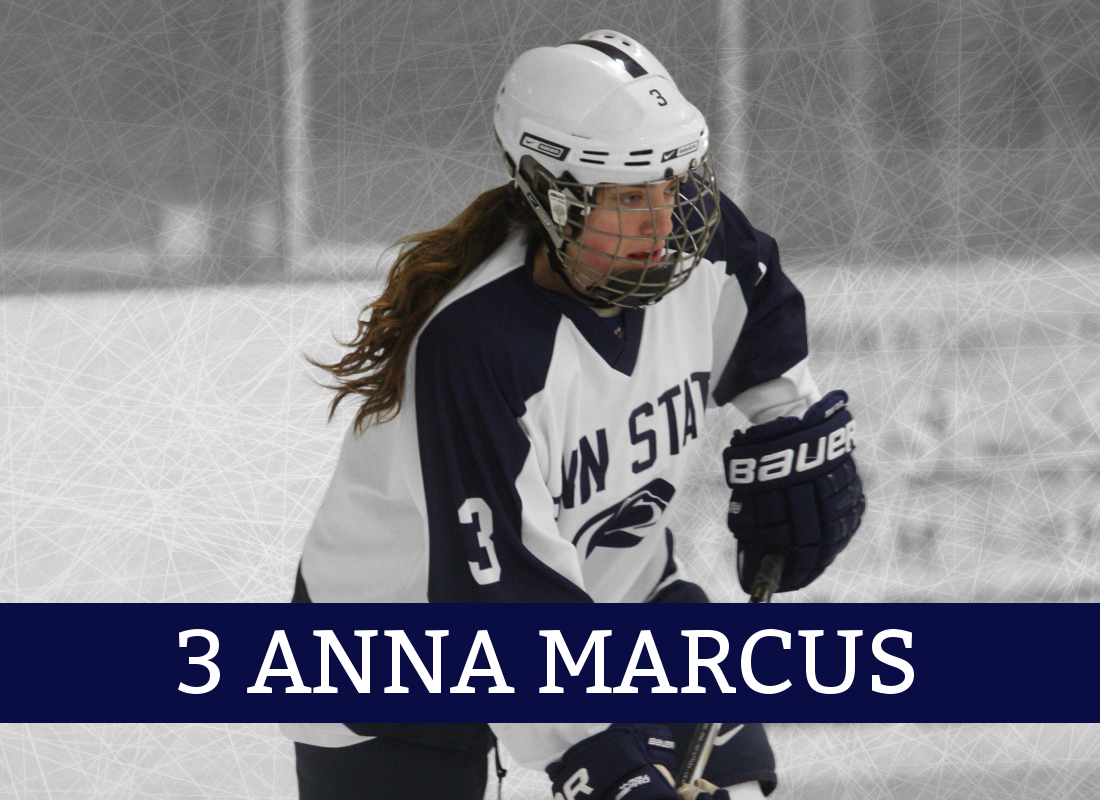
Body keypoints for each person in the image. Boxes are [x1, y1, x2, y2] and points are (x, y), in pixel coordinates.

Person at [282, 30, 865, 800]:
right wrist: (598, 761)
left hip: (617, 604)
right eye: (629, 196)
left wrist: (789, 430)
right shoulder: (479, 345)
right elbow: (500, 598)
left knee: (740, 778)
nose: (665, 221)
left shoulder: (697, 242)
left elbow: (763, 325)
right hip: (396, 662)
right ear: (551, 196)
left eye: (674, 182)